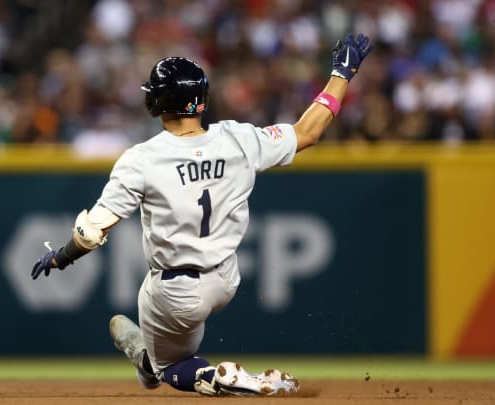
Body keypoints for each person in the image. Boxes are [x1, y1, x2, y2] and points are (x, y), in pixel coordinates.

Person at [31, 33, 373, 396]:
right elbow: (309, 131)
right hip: (226, 278)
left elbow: (90, 233)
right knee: (163, 355)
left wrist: (61, 256)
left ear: (159, 100)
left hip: (176, 291)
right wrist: (343, 72)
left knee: (171, 367)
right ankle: (147, 360)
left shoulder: (142, 159)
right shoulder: (239, 138)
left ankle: (216, 377)